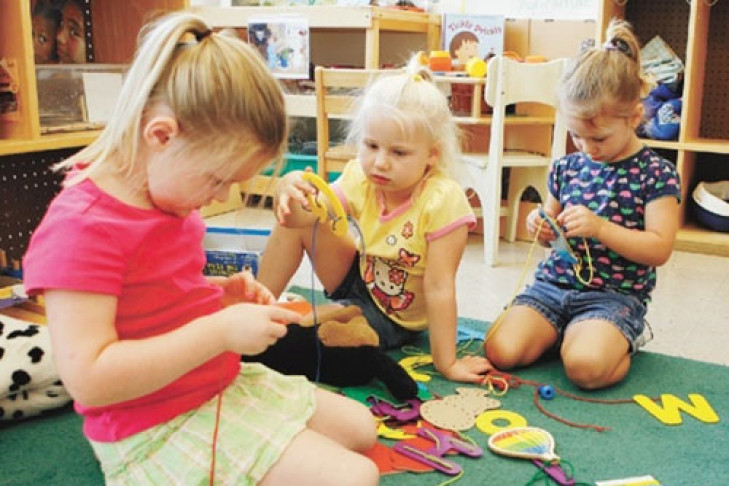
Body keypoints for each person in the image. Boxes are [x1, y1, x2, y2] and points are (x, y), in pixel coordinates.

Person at [22, 12, 378, 486]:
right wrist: (220, 331)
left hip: (210, 382)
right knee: (355, 477)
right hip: (152, 421)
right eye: (216, 179)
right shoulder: (81, 229)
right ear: (161, 136)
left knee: (362, 429)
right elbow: (89, 379)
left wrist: (217, 295)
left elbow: (148, 294)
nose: (219, 197)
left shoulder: (168, 199)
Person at [257, 59, 493, 384]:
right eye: (371, 146)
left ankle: (289, 323)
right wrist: (290, 189)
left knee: (309, 327)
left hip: (396, 317)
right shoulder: (360, 175)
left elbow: (439, 287)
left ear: (432, 154)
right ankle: (255, 305)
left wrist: (447, 363)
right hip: (359, 278)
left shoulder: (442, 200)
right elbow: (301, 218)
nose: (380, 163)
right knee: (297, 236)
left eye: (399, 153)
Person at [484, 19, 681, 390]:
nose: (587, 148)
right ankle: (569, 332)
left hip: (613, 297)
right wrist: (541, 226)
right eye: (576, 136)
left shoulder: (657, 174)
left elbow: (659, 249)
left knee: (585, 369)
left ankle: (618, 338)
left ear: (635, 117)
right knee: (499, 349)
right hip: (552, 287)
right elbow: (552, 227)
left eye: (599, 138)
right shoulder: (566, 167)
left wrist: (601, 228)